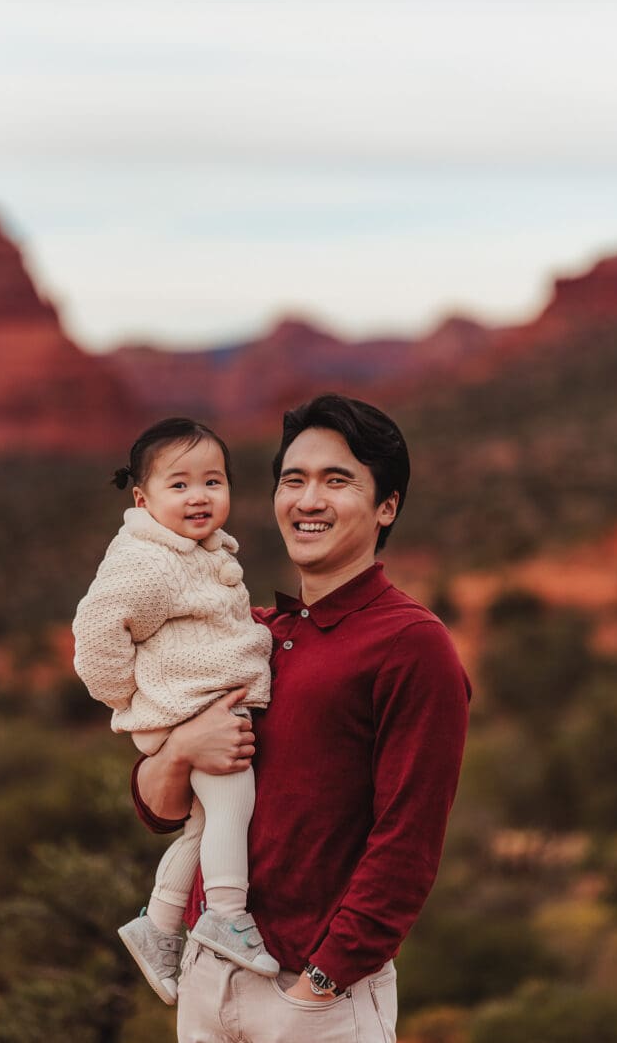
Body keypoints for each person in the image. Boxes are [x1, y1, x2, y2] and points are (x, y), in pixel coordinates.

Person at [133, 394, 471, 1043]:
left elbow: (407, 841)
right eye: (293, 480)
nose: (307, 500)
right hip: (207, 980)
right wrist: (178, 753)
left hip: (315, 1001)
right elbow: (158, 809)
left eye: (336, 481)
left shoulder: (410, 644)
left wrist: (317, 986)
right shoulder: (248, 632)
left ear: (386, 507)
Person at [72, 417, 280, 1007]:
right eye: (180, 485)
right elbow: (95, 630)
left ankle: (159, 922)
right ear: (143, 498)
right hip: (190, 712)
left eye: (213, 482)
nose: (199, 496)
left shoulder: (189, 551)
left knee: (203, 824)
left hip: (193, 705)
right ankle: (226, 914)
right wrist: (129, 698)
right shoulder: (150, 561)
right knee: (235, 805)